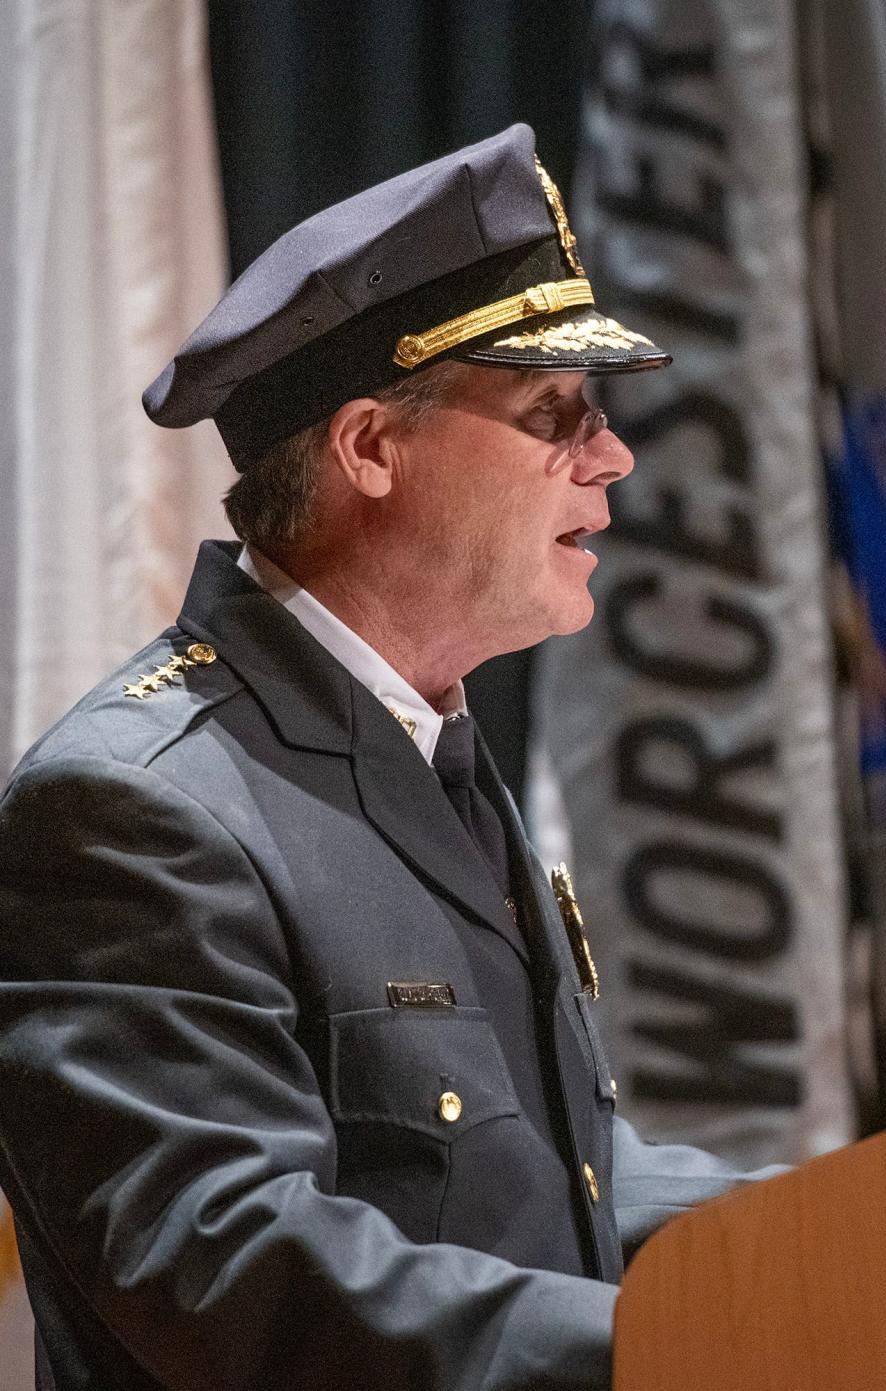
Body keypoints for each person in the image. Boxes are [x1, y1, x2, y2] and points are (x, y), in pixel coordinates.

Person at [0, 125, 778, 1391]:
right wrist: (677, 1346)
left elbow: (564, 1165)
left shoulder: (425, 738)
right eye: (552, 410)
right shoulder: (133, 805)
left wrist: (855, 1235)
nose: (611, 455)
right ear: (370, 447)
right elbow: (229, 1265)